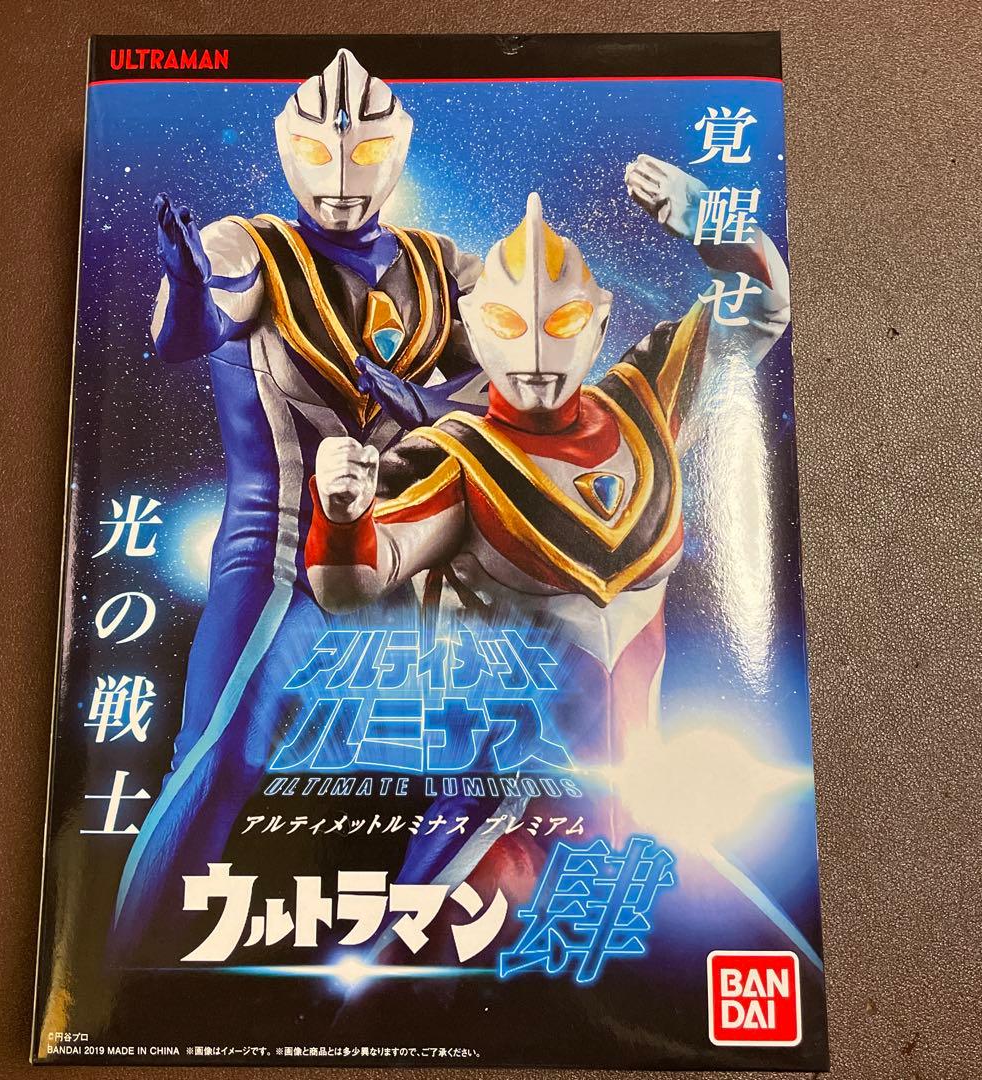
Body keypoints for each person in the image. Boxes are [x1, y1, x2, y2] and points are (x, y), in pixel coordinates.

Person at [304, 167, 789, 914]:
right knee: (411, 964)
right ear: (475, 325)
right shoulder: (457, 456)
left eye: (560, 325)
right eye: (509, 325)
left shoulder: (644, 403)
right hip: (500, 825)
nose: (534, 352)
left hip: (648, 809)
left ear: (598, 321)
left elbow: (762, 305)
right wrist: (342, 512)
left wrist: (705, 219)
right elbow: (351, 585)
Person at [111, 48, 484, 959]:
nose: (343, 180)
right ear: (291, 150)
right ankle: (128, 977)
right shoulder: (252, 247)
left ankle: (387, 974)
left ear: (395, 152)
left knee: (490, 764)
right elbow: (188, 329)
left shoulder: (443, 268)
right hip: (278, 546)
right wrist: (188, 282)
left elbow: (525, 384)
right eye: (321, 155)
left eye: (365, 155)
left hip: (401, 548)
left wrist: (430, 406)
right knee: (221, 754)